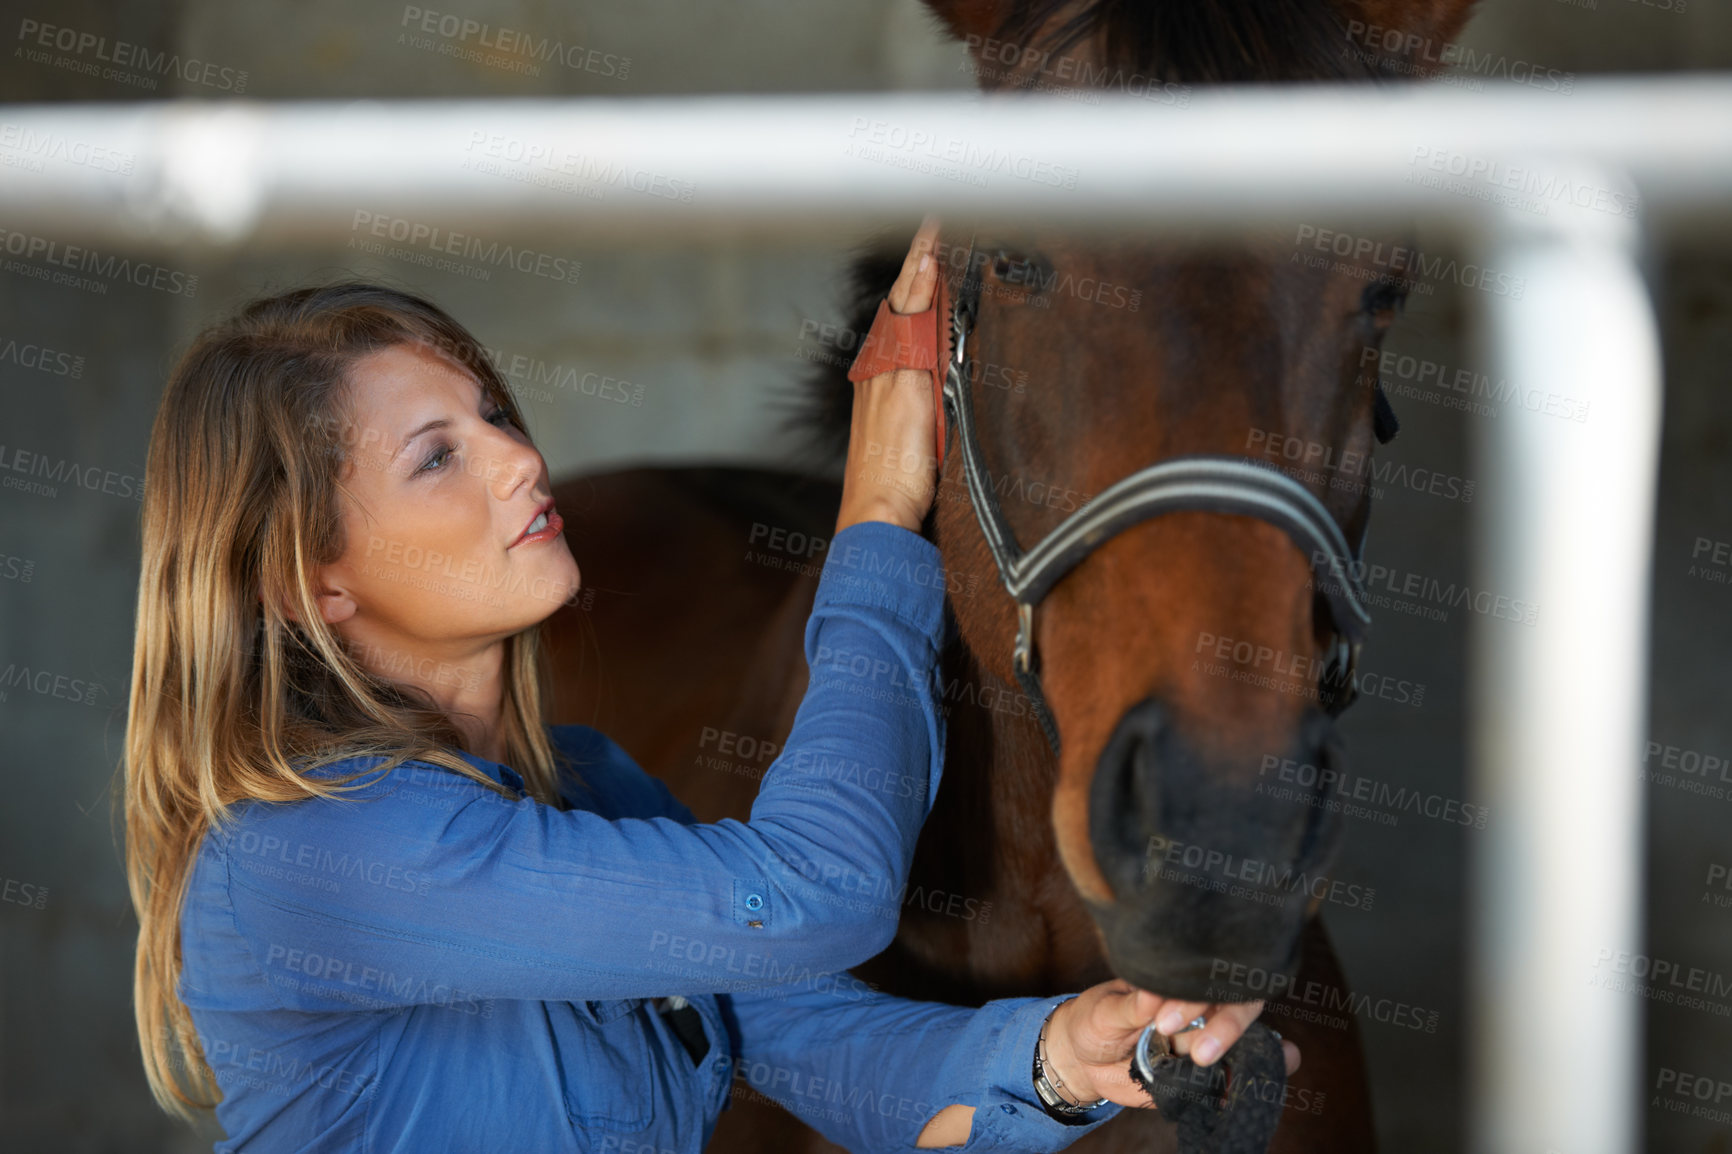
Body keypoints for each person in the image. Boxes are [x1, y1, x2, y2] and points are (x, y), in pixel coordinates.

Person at [124, 220, 1296, 1152]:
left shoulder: (591, 784)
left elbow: (808, 1034)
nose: (520, 455)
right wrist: (879, 513)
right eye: (438, 455)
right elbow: (814, 893)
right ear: (308, 581)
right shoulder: (309, 849)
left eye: (491, 414)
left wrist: (1062, 1056)